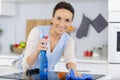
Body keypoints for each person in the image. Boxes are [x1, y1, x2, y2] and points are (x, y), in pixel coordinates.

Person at [22, 1, 81, 77]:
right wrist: (37, 51)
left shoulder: (69, 40)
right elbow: (25, 66)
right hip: (24, 73)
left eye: (67, 20)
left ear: (70, 23)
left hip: (46, 75)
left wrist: (73, 71)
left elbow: (70, 60)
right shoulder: (37, 32)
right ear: (52, 18)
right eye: (58, 18)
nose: (62, 24)